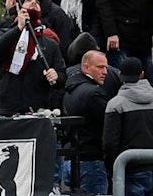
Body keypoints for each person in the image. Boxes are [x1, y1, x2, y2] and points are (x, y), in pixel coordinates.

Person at [0, 0, 64, 115]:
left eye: (37, 2)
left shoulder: (50, 43)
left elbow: (62, 75)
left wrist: (56, 76)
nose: (33, 2)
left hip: (37, 110)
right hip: (7, 108)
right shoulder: (4, 32)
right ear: (18, 7)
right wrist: (17, 29)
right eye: (28, 1)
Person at [104, 58, 153, 196]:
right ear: (142, 74)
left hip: (128, 169)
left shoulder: (115, 104)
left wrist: (114, 167)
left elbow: (110, 143)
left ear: (120, 75)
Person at [61, 51, 110, 196]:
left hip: (73, 160)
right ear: (86, 68)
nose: (105, 72)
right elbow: (109, 124)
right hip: (91, 161)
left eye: (106, 67)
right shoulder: (93, 94)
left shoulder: (70, 91)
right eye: (100, 67)